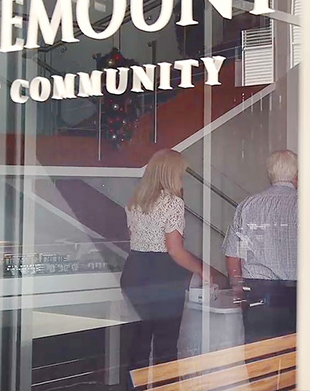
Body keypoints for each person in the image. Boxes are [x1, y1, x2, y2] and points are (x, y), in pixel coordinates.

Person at [120, 149, 215, 373]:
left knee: (138, 343)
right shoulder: (172, 202)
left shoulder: (135, 201)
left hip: (134, 271)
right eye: (180, 173)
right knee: (165, 346)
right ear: (171, 173)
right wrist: (204, 270)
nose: (182, 178)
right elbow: (174, 250)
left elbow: (134, 239)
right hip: (161, 277)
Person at [222, 150, 298, 344]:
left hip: (258, 292)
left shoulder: (247, 205)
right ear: (296, 174)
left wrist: (238, 289)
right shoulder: (307, 205)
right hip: (299, 293)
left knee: (259, 358)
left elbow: (233, 254)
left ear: (269, 174)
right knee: (296, 359)